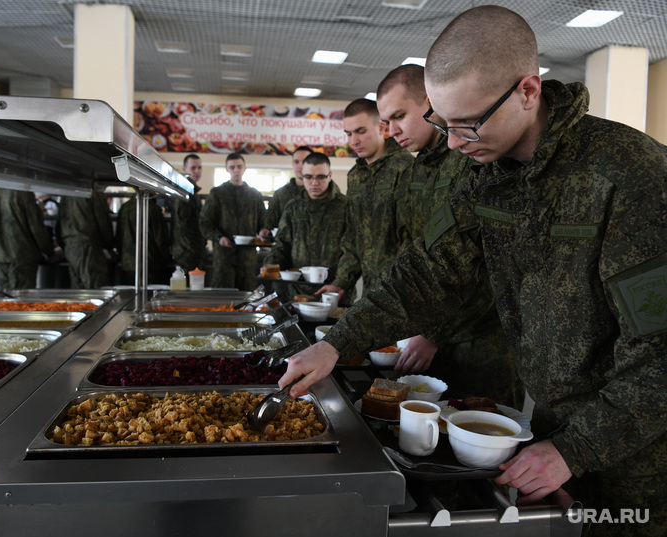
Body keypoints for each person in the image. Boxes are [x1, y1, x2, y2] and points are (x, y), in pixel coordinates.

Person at [280, 6, 667, 536]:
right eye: (443, 122)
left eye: (469, 123)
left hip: (643, 447)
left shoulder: (629, 176)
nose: (456, 142)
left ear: (528, 91)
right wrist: (337, 341)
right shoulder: (488, 173)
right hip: (554, 423)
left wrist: (578, 448)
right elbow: (429, 272)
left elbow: (661, 354)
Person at [376, 64, 522, 408]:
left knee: (481, 438)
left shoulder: (474, 157)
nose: (392, 131)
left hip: (480, 346)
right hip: (424, 344)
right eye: (386, 122)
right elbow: (417, 255)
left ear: (430, 102)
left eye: (399, 116)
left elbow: (490, 266)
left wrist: (434, 334)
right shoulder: (419, 169)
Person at [317, 98, 415, 300]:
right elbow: (353, 235)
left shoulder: (406, 168)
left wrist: (396, 287)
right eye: (349, 134)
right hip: (370, 291)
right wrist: (342, 281)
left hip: (402, 290)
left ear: (381, 127)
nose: (354, 141)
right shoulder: (356, 176)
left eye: (361, 131)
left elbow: (412, 239)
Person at [263, 152, 351, 301]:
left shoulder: (345, 206)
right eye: (308, 177)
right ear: (301, 176)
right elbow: (282, 245)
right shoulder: (293, 207)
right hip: (297, 290)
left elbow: (352, 250)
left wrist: (342, 281)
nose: (314, 182)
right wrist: (270, 266)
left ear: (330, 176)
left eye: (320, 177)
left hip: (334, 291)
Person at [199, 152, 268, 290]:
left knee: (247, 298)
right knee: (223, 297)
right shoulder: (217, 194)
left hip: (248, 259)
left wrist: (262, 232)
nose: (236, 170)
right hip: (224, 257)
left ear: (244, 168)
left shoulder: (254, 195)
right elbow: (205, 222)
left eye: (239, 166)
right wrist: (219, 237)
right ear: (227, 169)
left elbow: (263, 222)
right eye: (232, 167)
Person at [0, 188, 56, 289]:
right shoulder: (23, 194)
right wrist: (49, 251)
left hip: (0, 253)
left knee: (5, 296)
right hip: (22, 253)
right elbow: (36, 227)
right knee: (22, 297)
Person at [59, 190, 115, 289]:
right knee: (95, 289)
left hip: (70, 247)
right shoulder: (93, 193)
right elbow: (103, 222)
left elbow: (60, 221)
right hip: (89, 247)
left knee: (78, 291)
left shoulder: (66, 193)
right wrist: (109, 246)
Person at [117, 193, 172, 285]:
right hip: (150, 262)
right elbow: (160, 239)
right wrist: (166, 258)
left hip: (128, 263)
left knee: (131, 294)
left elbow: (119, 236)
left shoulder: (125, 208)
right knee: (150, 294)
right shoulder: (152, 209)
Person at [170, 154, 207, 273]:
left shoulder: (191, 190)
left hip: (192, 250)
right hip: (187, 252)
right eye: (193, 168)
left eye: (199, 167)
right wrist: (195, 249)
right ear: (184, 169)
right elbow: (183, 226)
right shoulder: (185, 191)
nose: (197, 171)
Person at [263, 146, 312, 232]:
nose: (300, 166)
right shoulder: (280, 194)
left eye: (304, 161)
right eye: (296, 162)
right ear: (292, 164)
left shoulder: (323, 192)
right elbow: (269, 224)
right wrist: (265, 231)